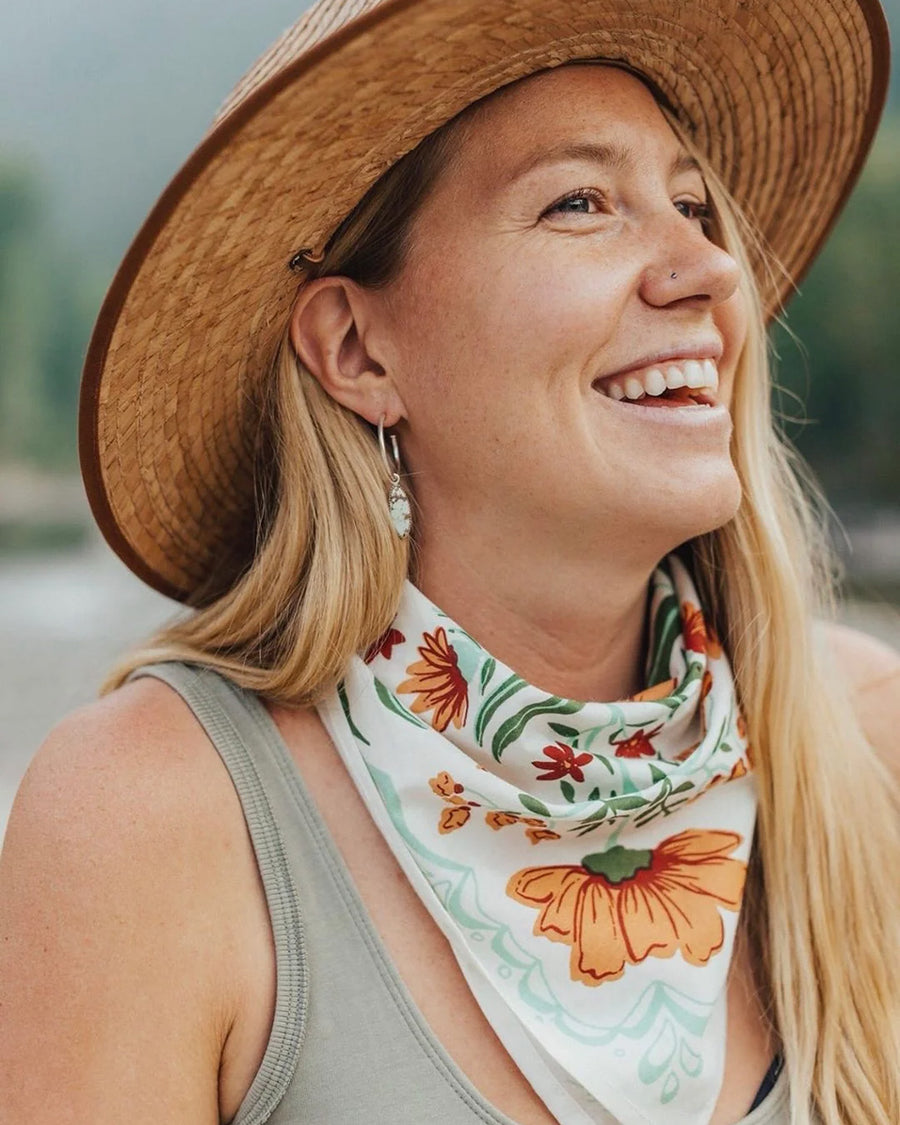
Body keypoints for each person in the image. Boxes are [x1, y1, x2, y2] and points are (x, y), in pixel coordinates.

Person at [1, 1, 898, 1123]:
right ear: (357, 349)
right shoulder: (153, 822)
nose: (711, 270)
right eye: (580, 202)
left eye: (693, 205)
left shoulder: (871, 741)